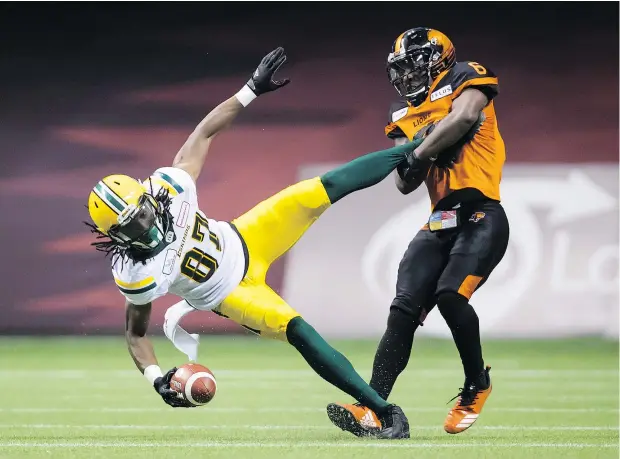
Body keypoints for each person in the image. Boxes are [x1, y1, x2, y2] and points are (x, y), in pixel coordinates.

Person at [86, 47, 421, 440]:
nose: (143, 226)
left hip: (245, 235)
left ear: (147, 197)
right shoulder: (135, 272)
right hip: (230, 294)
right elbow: (136, 334)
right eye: (130, 228)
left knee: (318, 190)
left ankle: (416, 148)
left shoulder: (169, 188)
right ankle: (386, 412)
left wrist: (250, 90)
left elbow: (203, 133)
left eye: (141, 213)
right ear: (115, 239)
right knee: (299, 330)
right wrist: (158, 380)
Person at [327, 28, 509, 436]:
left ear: (438, 60)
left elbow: (463, 117)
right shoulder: (402, 117)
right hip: (439, 220)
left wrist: (421, 148)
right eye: (401, 69)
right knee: (403, 310)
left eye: (413, 65)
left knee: (449, 294)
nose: (406, 75)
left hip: (482, 212)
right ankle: (372, 406)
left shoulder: (467, 76)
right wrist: (415, 155)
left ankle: (476, 383)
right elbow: (405, 184)